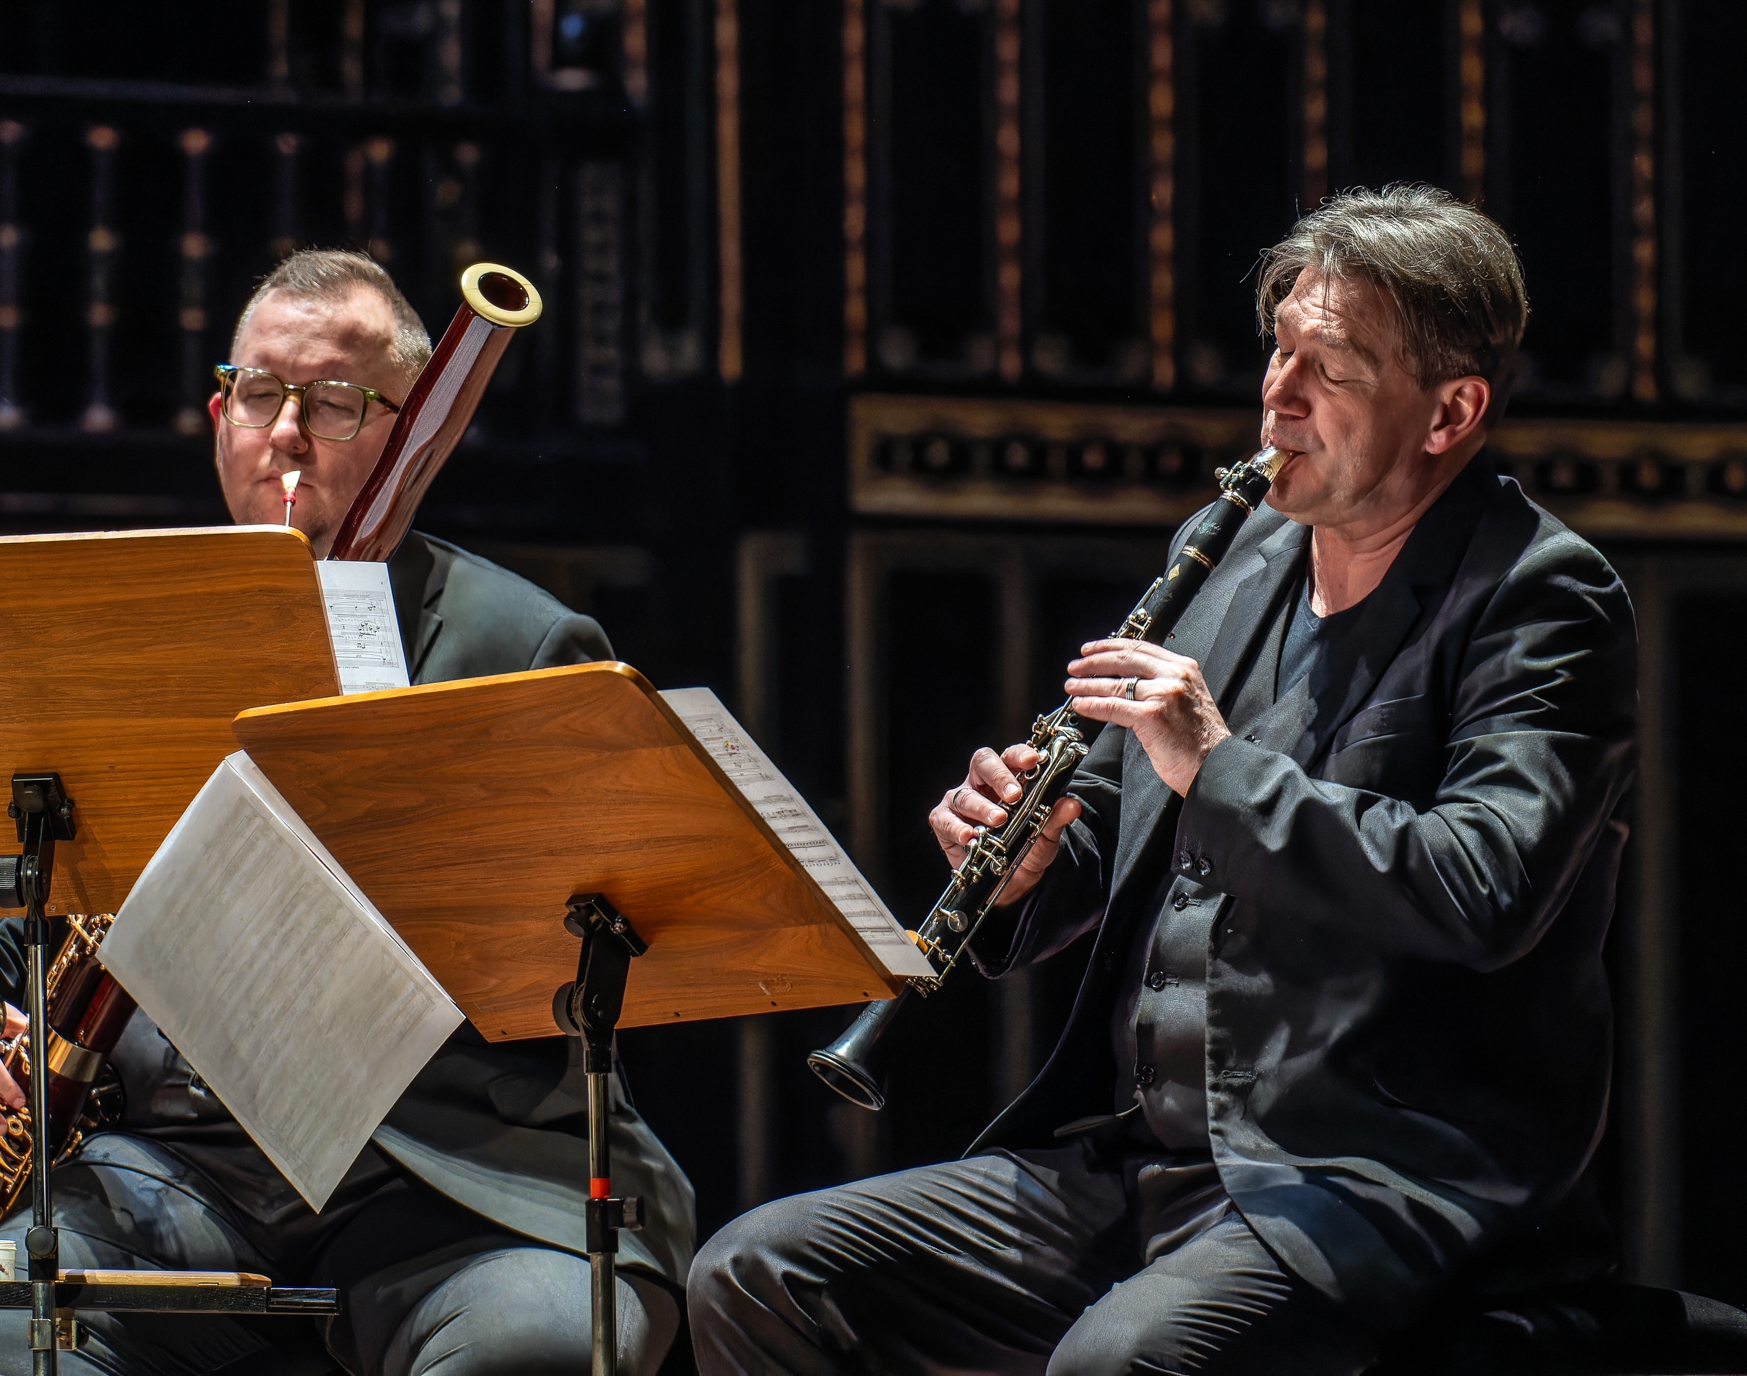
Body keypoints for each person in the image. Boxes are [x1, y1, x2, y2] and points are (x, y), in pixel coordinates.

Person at [688, 184, 1637, 1374]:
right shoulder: (1231, 551)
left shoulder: (1541, 597)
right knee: (762, 1274)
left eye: (1331, 369)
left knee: (1119, 1363)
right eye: (1278, 350)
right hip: (1145, 1156)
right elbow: (1126, 824)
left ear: (1450, 411)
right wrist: (1035, 864)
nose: (1279, 395)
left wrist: (1219, 762)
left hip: (1370, 1173)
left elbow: (1486, 883)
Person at [0, 250, 692, 1376]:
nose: (286, 433)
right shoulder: (130, 624)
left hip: (452, 1176)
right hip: (183, 1163)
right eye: (259, 393)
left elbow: (589, 942)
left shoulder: (524, 643)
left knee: (534, 1349)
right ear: (219, 413)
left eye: (334, 402)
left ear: (413, 432)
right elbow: (22, 827)